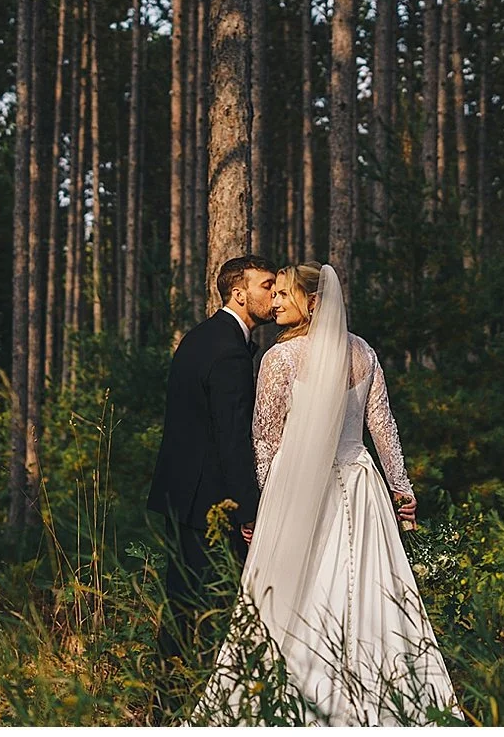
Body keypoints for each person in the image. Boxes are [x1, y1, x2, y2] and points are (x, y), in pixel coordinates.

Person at [192, 262, 461, 726]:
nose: (275, 301)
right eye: (271, 294)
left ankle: (297, 699)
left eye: (284, 294)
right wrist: (402, 491)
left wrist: (262, 504)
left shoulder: (280, 359)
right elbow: (383, 430)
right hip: (361, 486)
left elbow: (266, 440)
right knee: (369, 591)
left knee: (302, 588)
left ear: (312, 302)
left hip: (300, 488)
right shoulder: (363, 353)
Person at [145, 255, 278, 709]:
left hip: (180, 491)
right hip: (208, 501)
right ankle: (189, 704)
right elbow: (232, 439)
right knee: (213, 606)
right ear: (239, 293)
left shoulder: (200, 337)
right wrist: (249, 509)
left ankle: (167, 699)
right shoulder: (228, 352)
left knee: (181, 601)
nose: (274, 296)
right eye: (266, 286)